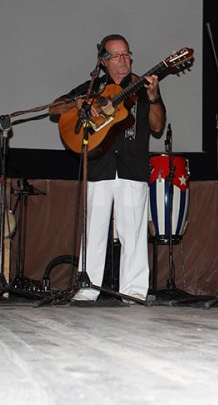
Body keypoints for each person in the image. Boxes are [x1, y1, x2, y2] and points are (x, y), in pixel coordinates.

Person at [49, 34, 166, 302]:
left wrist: (154, 97)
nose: (124, 60)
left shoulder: (142, 84)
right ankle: (87, 289)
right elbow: (55, 109)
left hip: (132, 166)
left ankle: (133, 291)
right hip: (99, 166)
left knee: (133, 233)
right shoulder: (93, 88)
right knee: (94, 232)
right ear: (103, 61)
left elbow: (158, 127)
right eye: (116, 55)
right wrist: (78, 103)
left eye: (127, 54)